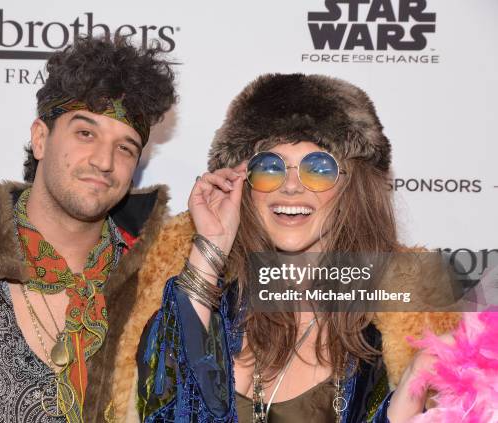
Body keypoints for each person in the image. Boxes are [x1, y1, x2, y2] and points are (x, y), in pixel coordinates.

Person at [105, 73, 460, 422]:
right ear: (243, 186)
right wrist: (210, 248)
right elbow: (169, 410)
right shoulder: (201, 313)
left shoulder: (392, 337)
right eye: (269, 167)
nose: (290, 187)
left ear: (352, 189)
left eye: (319, 167)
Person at [0, 36, 176, 423]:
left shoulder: (161, 283)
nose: (104, 161)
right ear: (41, 138)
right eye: (85, 133)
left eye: (125, 148)